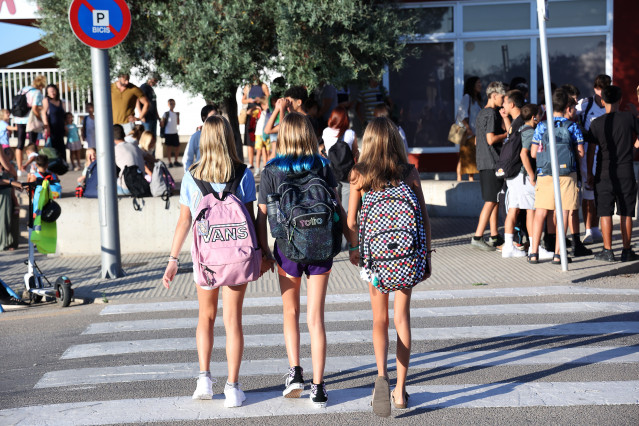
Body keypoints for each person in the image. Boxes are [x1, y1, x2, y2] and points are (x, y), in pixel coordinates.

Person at [162, 115, 260, 407]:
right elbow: (251, 220)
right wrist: (262, 254)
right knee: (233, 321)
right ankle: (233, 387)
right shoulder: (243, 174)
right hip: (237, 259)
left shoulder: (192, 176)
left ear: (203, 140)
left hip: (205, 260)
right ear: (229, 138)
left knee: (206, 317)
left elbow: (183, 222)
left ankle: (204, 379)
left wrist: (172, 259)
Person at [256, 112, 345, 408]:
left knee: (290, 312)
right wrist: (352, 240)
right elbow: (336, 206)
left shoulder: (270, 170)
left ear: (282, 137)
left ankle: (295, 373)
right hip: (321, 248)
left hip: (287, 248)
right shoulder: (322, 165)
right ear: (309, 134)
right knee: (315, 318)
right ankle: (319, 388)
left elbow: (263, 215)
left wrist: (263, 251)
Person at [346, 117, 431, 417]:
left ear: (367, 142)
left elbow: (351, 221)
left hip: (376, 260)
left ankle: (382, 377)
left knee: (379, 319)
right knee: (401, 319)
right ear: (396, 141)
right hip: (407, 256)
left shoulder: (359, 174)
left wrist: (356, 249)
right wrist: (427, 258)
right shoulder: (409, 172)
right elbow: (422, 216)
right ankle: (400, 392)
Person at [529, 89, 585, 264]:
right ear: (567, 107)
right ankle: (558, 254)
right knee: (564, 211)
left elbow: (532, 153)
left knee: (540, 212)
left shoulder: (541, 126)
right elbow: (581, 153)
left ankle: (533, 252)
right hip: (567, 174)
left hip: (545, 173)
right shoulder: (573, 126)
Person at [587, 85, 639, 262]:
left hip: (603, 171)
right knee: (626, 212)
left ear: (603, 101)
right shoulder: (628, 118)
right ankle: (626, 250)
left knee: (605, 212)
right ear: (620, 100)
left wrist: (589, 173)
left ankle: (608, 251)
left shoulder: (596, 123)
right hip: (625, 170)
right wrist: (633, 149)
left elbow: (591, 151)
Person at [470, 81, 507, 251]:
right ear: (493, 95)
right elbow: (490, 139)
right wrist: (507, 134)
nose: (503, 99)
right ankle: (478, 236)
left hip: (483, 161)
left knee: (494, 199)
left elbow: (478, 140)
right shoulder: (492, 114)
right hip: (492, 161)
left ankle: (494, 235)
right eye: (502, 96)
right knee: (491, 200)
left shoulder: (480, 113)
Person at [577, 74, 611, 244]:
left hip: (605, 154)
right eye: (599, 90)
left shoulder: (610, 106)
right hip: (587, 154)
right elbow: (573, 119)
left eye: (605, 90)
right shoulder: (585, 104)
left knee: (600, 192)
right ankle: (588, 229)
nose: (601, 93)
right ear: (595, 89)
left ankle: (596, 228)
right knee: (588, 192)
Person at [500, 90, 530, 258]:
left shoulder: (519, 123)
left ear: (512, 104)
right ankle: (513, 245)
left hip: (516, 173)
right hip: (517, 173)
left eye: (505, 102)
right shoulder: (519, 123)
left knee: (515, 209)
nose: (503, 106)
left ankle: (512, 245)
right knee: (516, 209)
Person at [321, 106, 359, 214]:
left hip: (331, 172)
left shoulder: (326, 132)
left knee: (335, 205)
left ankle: (337, 227)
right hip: (348, 174)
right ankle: (346, 228)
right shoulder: (351, 133)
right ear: (346, 119)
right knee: (347, 208)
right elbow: (355, 153)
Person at [13, 75, 46, 176]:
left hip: (19, 118)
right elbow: (35, 109)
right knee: (32, 144)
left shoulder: (24, 89)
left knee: (20, 143)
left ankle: (19, 168)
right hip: (30, 120)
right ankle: (32, 167)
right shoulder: (37, 92)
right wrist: (41, 120)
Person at [264, 86, 308, 159]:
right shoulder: (292, 119)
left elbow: (283, 131)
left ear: (299, 102)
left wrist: (282, 109)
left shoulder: (306, 119)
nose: (287, 104)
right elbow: (267, 130)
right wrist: (277, 108)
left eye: (289, 102)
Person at [456, 77, 483, 181]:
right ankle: (460, 178)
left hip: (475, 132)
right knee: (465, 155)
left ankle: (470, 178)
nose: (480, 85)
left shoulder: (477, 99)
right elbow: (462, 114)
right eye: (478, 83)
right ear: (472, 85)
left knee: (471, 155)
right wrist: (467, 128)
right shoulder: (467, 97)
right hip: (468, 132)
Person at [242, 77, 270, 169]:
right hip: (251, 115)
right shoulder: (248, 87)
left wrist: (260, 99)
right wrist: (249, 100)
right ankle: (251, 163)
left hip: (261, 113)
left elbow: (268, 97)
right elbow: (243, 100)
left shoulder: (263, 86)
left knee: (263, 142)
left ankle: (265, 163)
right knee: (250, 139)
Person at [113, 124, 149, 195]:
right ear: (124, 134)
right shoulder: (135, 147)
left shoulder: (114, 150)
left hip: (125, 188)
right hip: (140, 186)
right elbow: (149, 157)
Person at [183, 105, 217, 171]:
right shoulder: (196, 136)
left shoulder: (222, 134)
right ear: (204, 118)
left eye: (217, 115)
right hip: (201, 175)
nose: (216, 118)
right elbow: (187, 159)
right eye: (213, 116)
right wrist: (189, 176)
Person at [42, 84, 66, 163]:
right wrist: (46, 125)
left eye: (54, 91)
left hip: (60, 127)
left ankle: (62, 164)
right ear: (47, 93)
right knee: (52, 147)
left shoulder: (60, 101)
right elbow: (43, 113)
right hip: (51, 127)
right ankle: (52, 164)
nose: (52, 93)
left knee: (61, 146)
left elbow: (63, 115)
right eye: (50, 91)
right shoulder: (46, 100)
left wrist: (65, 125)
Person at [161, 99, 180, 167]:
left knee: (177, 147)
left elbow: (178, 123)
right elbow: (162, 124)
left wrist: (178, 116)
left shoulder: (176, 114)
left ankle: (176, 161)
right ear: (168, 105)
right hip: (168, 133)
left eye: (173, 103)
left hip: (175, 132)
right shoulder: (166, 114)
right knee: (168, 148)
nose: (172, 105)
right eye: (171, 104)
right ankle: (170, 162)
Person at [253, 97, 270, 172]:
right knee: (259, 151)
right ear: (262, 105)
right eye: (267, 104)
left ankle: (265, 167)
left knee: (267, 151)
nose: (268, 106)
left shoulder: (270, 112)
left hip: (266, 134)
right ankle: (257, 168)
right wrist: (255, 106)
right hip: (259, 134)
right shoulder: (259, 112)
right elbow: (249, 113)